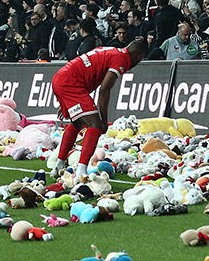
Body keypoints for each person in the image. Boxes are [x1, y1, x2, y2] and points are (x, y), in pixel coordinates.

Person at [49, 40, 148, 180]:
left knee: (77, 123)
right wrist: (104, 120)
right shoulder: (122, 60)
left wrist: (67, 98)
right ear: (139, 56)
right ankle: (81, 171)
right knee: (95, 125)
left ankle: (59, 165)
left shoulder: (112, 51)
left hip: (63, 78)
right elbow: (104, 90)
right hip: (71, 83)